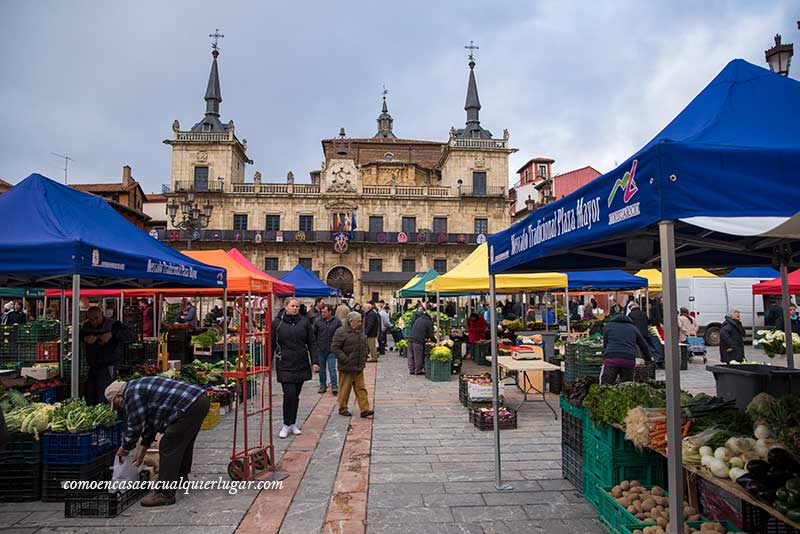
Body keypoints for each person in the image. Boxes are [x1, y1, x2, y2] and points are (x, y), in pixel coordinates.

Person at [106, 376, 210, 507]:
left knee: (169, 444)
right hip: (199, 400)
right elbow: (150, 426)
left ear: (119, 395)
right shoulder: (138, 387)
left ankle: (164, 494)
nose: (120, 408)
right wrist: (141, 454)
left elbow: (135, 426)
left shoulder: (131, 394)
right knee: (182, 442)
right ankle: (180, 477)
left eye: (116, 404)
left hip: (189, 404)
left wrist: (125, 447)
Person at [272, 298, 319, 438]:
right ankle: (286, 424)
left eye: (297, 306)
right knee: (289, 394)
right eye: (292, 306)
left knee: (296, 395)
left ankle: (292, 423)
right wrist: (267, 363)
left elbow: (311, 343)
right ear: (286, 306)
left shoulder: (304, 322)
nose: (295, 308)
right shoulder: (277, 323)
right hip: (284, 363)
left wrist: (314, 361)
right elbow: (271, 344)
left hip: (300, 363)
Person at [82, 306, 131, 405]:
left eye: (96, 318)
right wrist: (84, 339)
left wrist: (112, 334)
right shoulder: (86, 326)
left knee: (105, 392)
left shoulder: (113, 324)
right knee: (91, 393)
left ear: (102, 314)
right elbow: (80, 336)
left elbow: (129, 335)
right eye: (91, 319)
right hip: (92, 365)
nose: (94, 322)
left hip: (109, 364)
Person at [331, 311, 374, 418]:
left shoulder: (360, 331)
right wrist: (345, 359)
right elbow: (335, 348)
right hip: (346, 366)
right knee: (345, 389)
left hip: (358, 366)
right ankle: (342, 408)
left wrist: (364, 357)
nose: (361, 323)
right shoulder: (341, 332)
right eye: (358, 321)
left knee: (361, 388)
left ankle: (364, 409)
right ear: (351, 322)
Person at [601, 313, 653, 385]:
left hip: (611, 358)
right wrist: (648, 358)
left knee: (605, 385)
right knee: (627, 386)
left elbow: (605, 345)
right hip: (628, 359)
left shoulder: (608, 326)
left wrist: (605, 354)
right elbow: (643, 345)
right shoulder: (633, 328)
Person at [313, 304, 341, 395]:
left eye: (325, 312)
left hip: (332, 349)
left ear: (330, 312)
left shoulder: (336, 321)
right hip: (321, 348)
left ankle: (334, 385)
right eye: (322, 312)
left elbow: (340, 334)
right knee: (322, 369)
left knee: (332, 368)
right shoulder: (317, 321)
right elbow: (314, 334)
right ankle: (322, 385)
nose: (323, 313)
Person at [408, 305, 434, 375]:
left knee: (411, 355)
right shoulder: (428, 322)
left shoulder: (419, 319)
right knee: (418, 356)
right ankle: (418, 370)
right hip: (418, 341)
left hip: (410, 338)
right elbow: (431, 334)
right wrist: (434, 340)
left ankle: (411, 369)